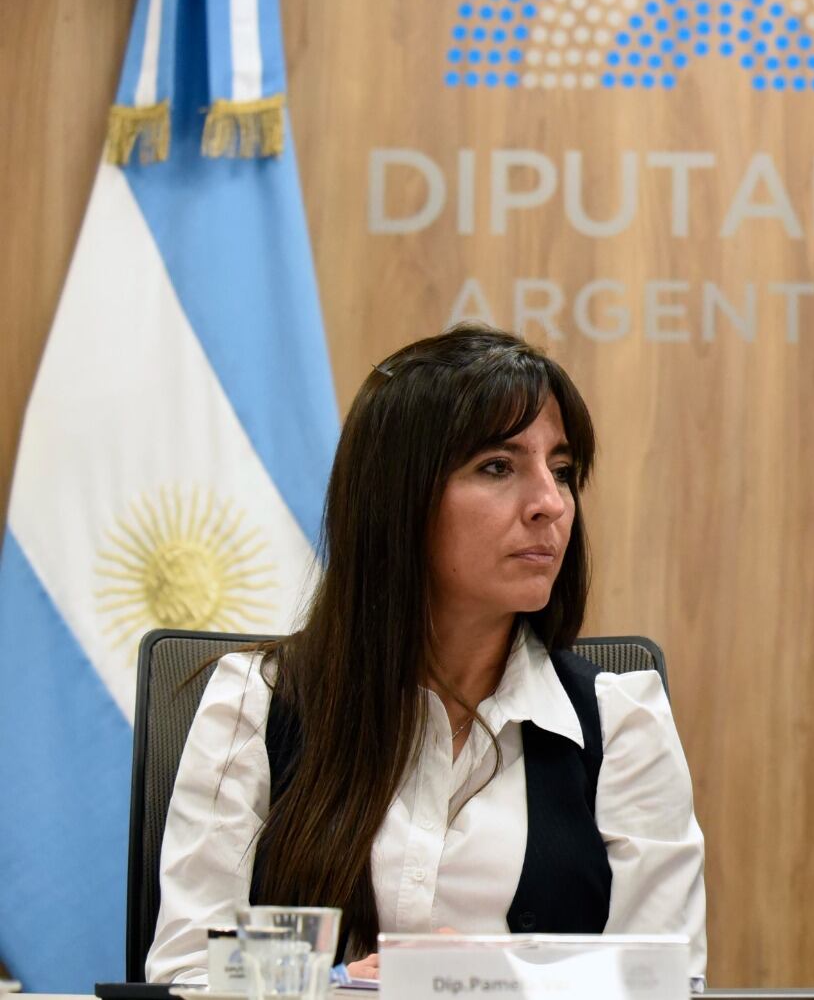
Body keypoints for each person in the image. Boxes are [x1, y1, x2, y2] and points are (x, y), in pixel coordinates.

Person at [146, 325, 707, 983]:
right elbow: (188, 976)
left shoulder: (622, 722)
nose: (550, 505)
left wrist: (495, 984)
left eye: (561, 470)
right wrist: (349, 989)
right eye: (498, 467)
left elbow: (664, 987)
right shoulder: (258, 702)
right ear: (396, 499)